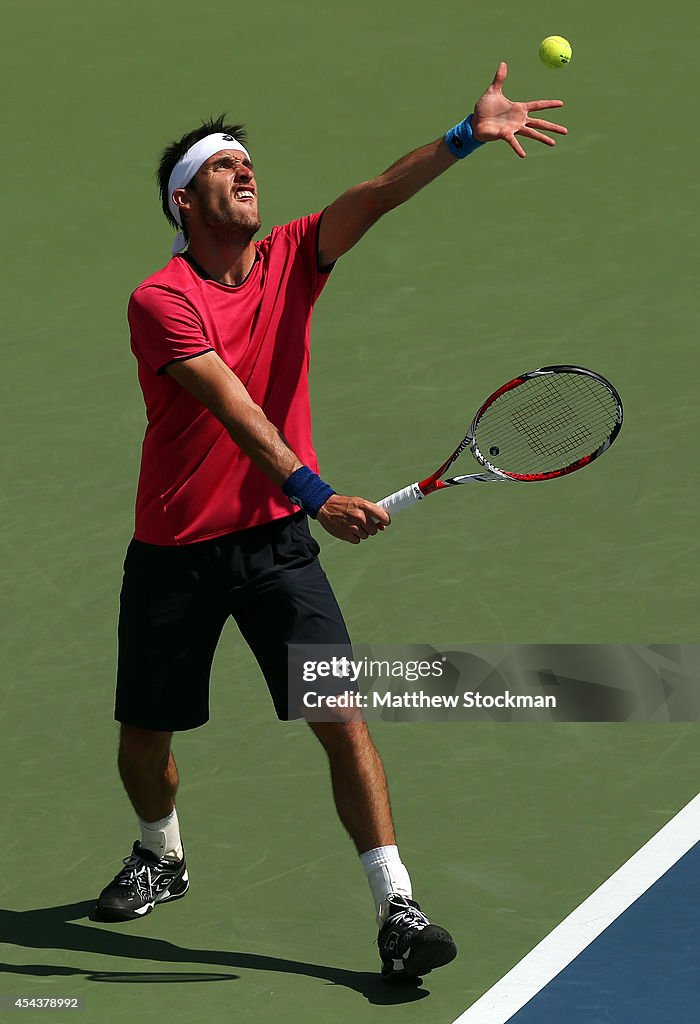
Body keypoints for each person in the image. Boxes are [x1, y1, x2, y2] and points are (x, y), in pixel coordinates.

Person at [94, 63, 566, 981]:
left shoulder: (294, 256)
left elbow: (378, 195)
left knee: (341, 715)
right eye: (226, 167)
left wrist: (465, 137)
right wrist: (316, 491)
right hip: (175, 554)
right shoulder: (162, 301)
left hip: (275, 548)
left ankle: (398, 907)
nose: (248, 173)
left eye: (249, 162)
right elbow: (233, 408)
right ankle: (161, 852)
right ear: (184, 202)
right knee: (146, 740)